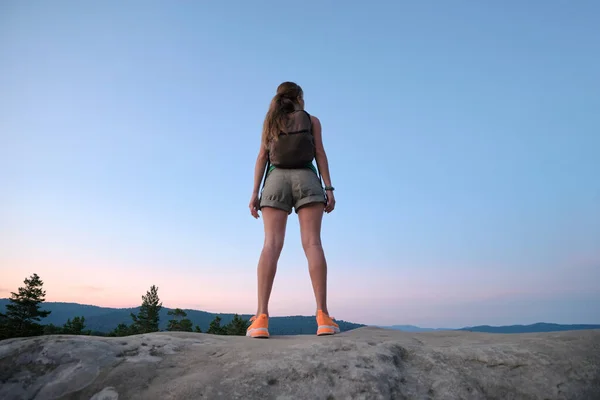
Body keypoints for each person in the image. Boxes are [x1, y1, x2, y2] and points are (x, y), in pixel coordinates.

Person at [247, 81, 339, 338]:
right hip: (307, 178)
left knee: (270, 246)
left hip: (275, 180)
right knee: (312, 245)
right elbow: (319, 152)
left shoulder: (270, 122)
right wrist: (329, 188)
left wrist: (255, 193)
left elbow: (261, 158)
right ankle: (322, 316)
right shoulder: (312, 120)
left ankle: (261, 319)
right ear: (299, 98)